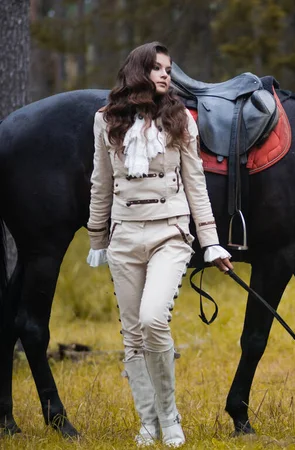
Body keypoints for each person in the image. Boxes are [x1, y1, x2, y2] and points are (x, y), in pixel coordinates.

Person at [86, 41, 233, 447]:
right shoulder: (105, 121)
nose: (166, 74)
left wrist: (212, 242)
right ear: (138, 71)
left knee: (153, 320)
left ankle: (170, 417)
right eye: (158, 68)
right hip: (124, 234)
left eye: (168, 69)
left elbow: (196, 184)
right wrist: (98, 237)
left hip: (170, 231)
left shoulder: (182, 120)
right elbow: (101, 182)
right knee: (132, 335)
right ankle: (148, 422)